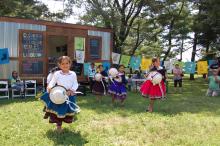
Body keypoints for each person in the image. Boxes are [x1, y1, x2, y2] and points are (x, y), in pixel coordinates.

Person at [41, 56, 79, 133]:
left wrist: (72, 90)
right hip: (59, 95)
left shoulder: (73, 74)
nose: (65, 65)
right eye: (63, 64)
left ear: (70, 64)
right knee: (58, 111)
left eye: (67, 63)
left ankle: (63, 122)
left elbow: (75, 83)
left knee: (65, 112)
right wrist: (50, 87)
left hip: (69, 95)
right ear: (59, 65)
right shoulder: (57, 73)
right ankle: (59, 126)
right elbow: (52, 82)